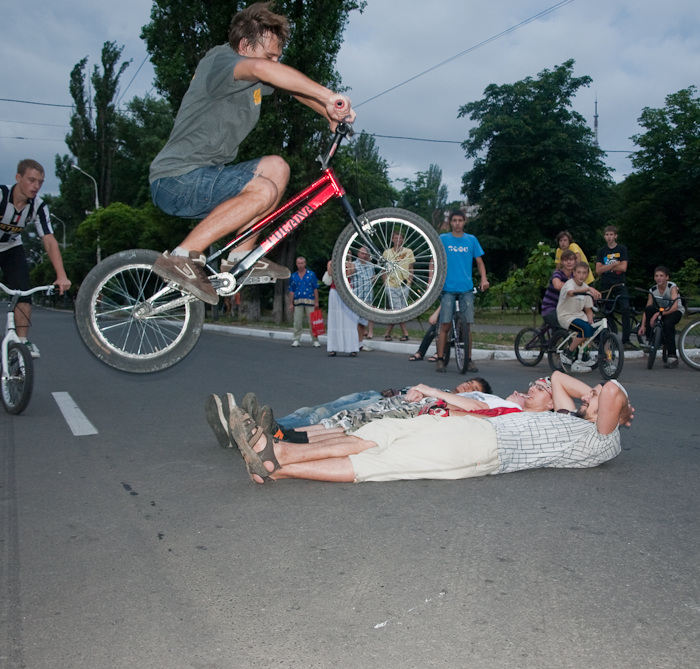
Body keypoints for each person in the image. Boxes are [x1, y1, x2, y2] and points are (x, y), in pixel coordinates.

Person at [148, 3, 355, 305]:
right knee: (262, 190)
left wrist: (326, 111)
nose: (274, 63)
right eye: (270, 55)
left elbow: (291, 88)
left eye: (278, 58)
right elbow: (262, 69)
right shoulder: (222, 61)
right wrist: (328, 95)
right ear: (244, 46)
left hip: (203, 176)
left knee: (277, 167)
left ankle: (240, 257)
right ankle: (182, 256)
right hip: (176, 179)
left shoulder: (254, 77)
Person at [223, 372, 632, 484]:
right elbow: (560, 376)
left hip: (484, 452)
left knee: (383, 462)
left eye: (591, 398)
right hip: (469, 430)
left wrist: (617, 405)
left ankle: (282, 462)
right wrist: (594, 404)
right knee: (381, 433)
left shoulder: (600, 439)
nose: (587, 394)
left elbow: (612, 389)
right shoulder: (570, 419)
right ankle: (279, 455)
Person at [0, 159, 71, 358]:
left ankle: (22, 344)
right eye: (31, 180)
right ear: (18, 178)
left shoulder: (38, 206)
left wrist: (61, 275)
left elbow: (49, 241)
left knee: (23, 292)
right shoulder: (1, 196)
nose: (37, 186)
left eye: (40, 182)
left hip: (11, 248)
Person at [435, 211, 488, 373]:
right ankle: (440, 359)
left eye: (460, 220)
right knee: (444, 325)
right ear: (450, 222)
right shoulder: (443, 239)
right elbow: (434, 260)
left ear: (465, 222)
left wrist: (484, 279)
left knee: (467, 327)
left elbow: (479, 262)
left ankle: (469, 360)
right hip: (447, 288)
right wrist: (433, 280)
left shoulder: (471, 240)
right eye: (454, 220)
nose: (457, 223)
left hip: (466, 288)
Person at [556, 261, 602, 372]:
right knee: (585, 329)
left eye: (584, 273)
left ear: (587, 275)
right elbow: (571, 293)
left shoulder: (586, 287)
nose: (581, 275)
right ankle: (568, 353)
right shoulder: (569, 284)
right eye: (579, 272)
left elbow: (588, 309)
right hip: (566, 316)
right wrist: (588, 289)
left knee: (596, 327)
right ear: (574, 273)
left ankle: (585, 355)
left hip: (579, 315)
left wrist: (590, 317)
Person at [596, 226, 634, 350]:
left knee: (625, 309)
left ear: (616, 236)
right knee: (606, 312)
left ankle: (626, 340)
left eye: (611, 234)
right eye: (607, 234)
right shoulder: (602, 251)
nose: (609, 237)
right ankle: (610, 338)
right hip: (606, 285)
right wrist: (614, 264)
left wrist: (606, 267)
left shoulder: (622, 249)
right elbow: (598, 270)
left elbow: (623, 268)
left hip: (619, 284)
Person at [638, 266, 685, 369]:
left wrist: (658, 314)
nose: (659, 278)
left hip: (675, 310)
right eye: (656, 276)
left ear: (667, 277)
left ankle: (672, 356)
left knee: (668, 324)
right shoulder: (653, 290)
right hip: (661, 310)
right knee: (650, 309)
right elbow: (647, 309)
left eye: (661, 276)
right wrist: (643, 326)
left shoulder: (672, 287)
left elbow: (675, 306)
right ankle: (650, 339)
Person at [382, 230, 413, 342]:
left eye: (400, 237)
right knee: (397, 309)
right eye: (396, 238)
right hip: (391, 284)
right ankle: (405, 333)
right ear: (392, 239)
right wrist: (385, 282)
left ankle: (387, 333)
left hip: (404, 284)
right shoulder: (387, 253)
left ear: (402, 239)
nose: (398, 240)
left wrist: (410, 280)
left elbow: (411, 267)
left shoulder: (408, 251)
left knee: (401, 310)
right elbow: (383, 269)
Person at [325, 260, 360, 357]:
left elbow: (349, 274)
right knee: (334, 319)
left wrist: (348, 259)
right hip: (335, 291)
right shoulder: (331, 262)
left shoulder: (351, 264)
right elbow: (330, 273)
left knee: (350, 319)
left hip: (347, 292)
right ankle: (333, 347)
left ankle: (352, 347)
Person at [541, 249, 577, 329]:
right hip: (550, 309)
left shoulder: (574, 277)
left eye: (571, 260)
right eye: (565, 260)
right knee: (569, 323)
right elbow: (557, 285)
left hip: (564, 310)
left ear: (575, 261)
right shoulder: (558, 273)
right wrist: (573, 289)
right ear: (561, 262)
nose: (568, 262)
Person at [288, 256, 320, 347]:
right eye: (298, 263)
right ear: (296, 264)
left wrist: (316, 301)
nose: (300, 265)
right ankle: (296, 339)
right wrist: (291, 303)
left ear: (305, 264)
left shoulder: (311, 274)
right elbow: (291, 290)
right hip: (297, 301)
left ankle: (315, 340)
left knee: (312, 321)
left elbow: (315, 288)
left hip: (310, 300)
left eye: (302, 263)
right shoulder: (294, 276)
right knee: (297, 321)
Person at [347, 246, 374, 345]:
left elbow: (372, 279)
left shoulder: (371, 265)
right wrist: (349, 259)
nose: (364, 255)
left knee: (363, 322)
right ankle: (353, 342)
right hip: (356, 296)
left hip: (368, 296)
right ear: (358, 254)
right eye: (362, 253)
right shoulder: (354, 264)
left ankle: (360, 343)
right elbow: (349, 275)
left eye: (366, 254)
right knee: (354, 321)